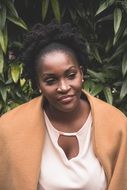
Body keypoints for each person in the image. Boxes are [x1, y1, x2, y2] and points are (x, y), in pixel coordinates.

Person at [0, 21, 127, 190]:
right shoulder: (10, 129)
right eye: (51, 80)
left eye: (71, 75)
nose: (64, 87)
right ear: (38, 84)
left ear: (81, 73)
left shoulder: (117, 125)